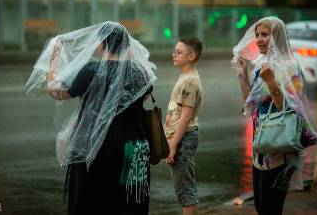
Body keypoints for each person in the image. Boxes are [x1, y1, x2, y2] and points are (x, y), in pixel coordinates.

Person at [25, 21, 157, 215]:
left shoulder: (92, 70)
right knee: (130, 199)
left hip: (94, 144)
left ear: (103, 44)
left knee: (92, 199)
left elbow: (55, 91)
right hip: (132, 145)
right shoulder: (140, 72)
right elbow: (144, 97)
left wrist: (54, 59)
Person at [231, 17, 317, 215]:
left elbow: (291, 110)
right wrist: (241, 75)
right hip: (262, 144)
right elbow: (250, 105)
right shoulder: (260, 65)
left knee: (271, 207)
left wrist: (272, 82)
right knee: (259, 205)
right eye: (257, 35)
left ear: (277, 37)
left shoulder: (291, 67)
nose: (259, 40)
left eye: (265, 35)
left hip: (281, 146)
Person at [165, 37, 203, 215]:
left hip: (183, 138)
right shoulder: (186, 77)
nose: (174, 54)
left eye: (179, 52)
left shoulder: (189, 81)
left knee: (185, 189)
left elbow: (186, 116)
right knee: (183, 188)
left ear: (191, 56)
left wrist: (173, 145)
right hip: (181, 137)